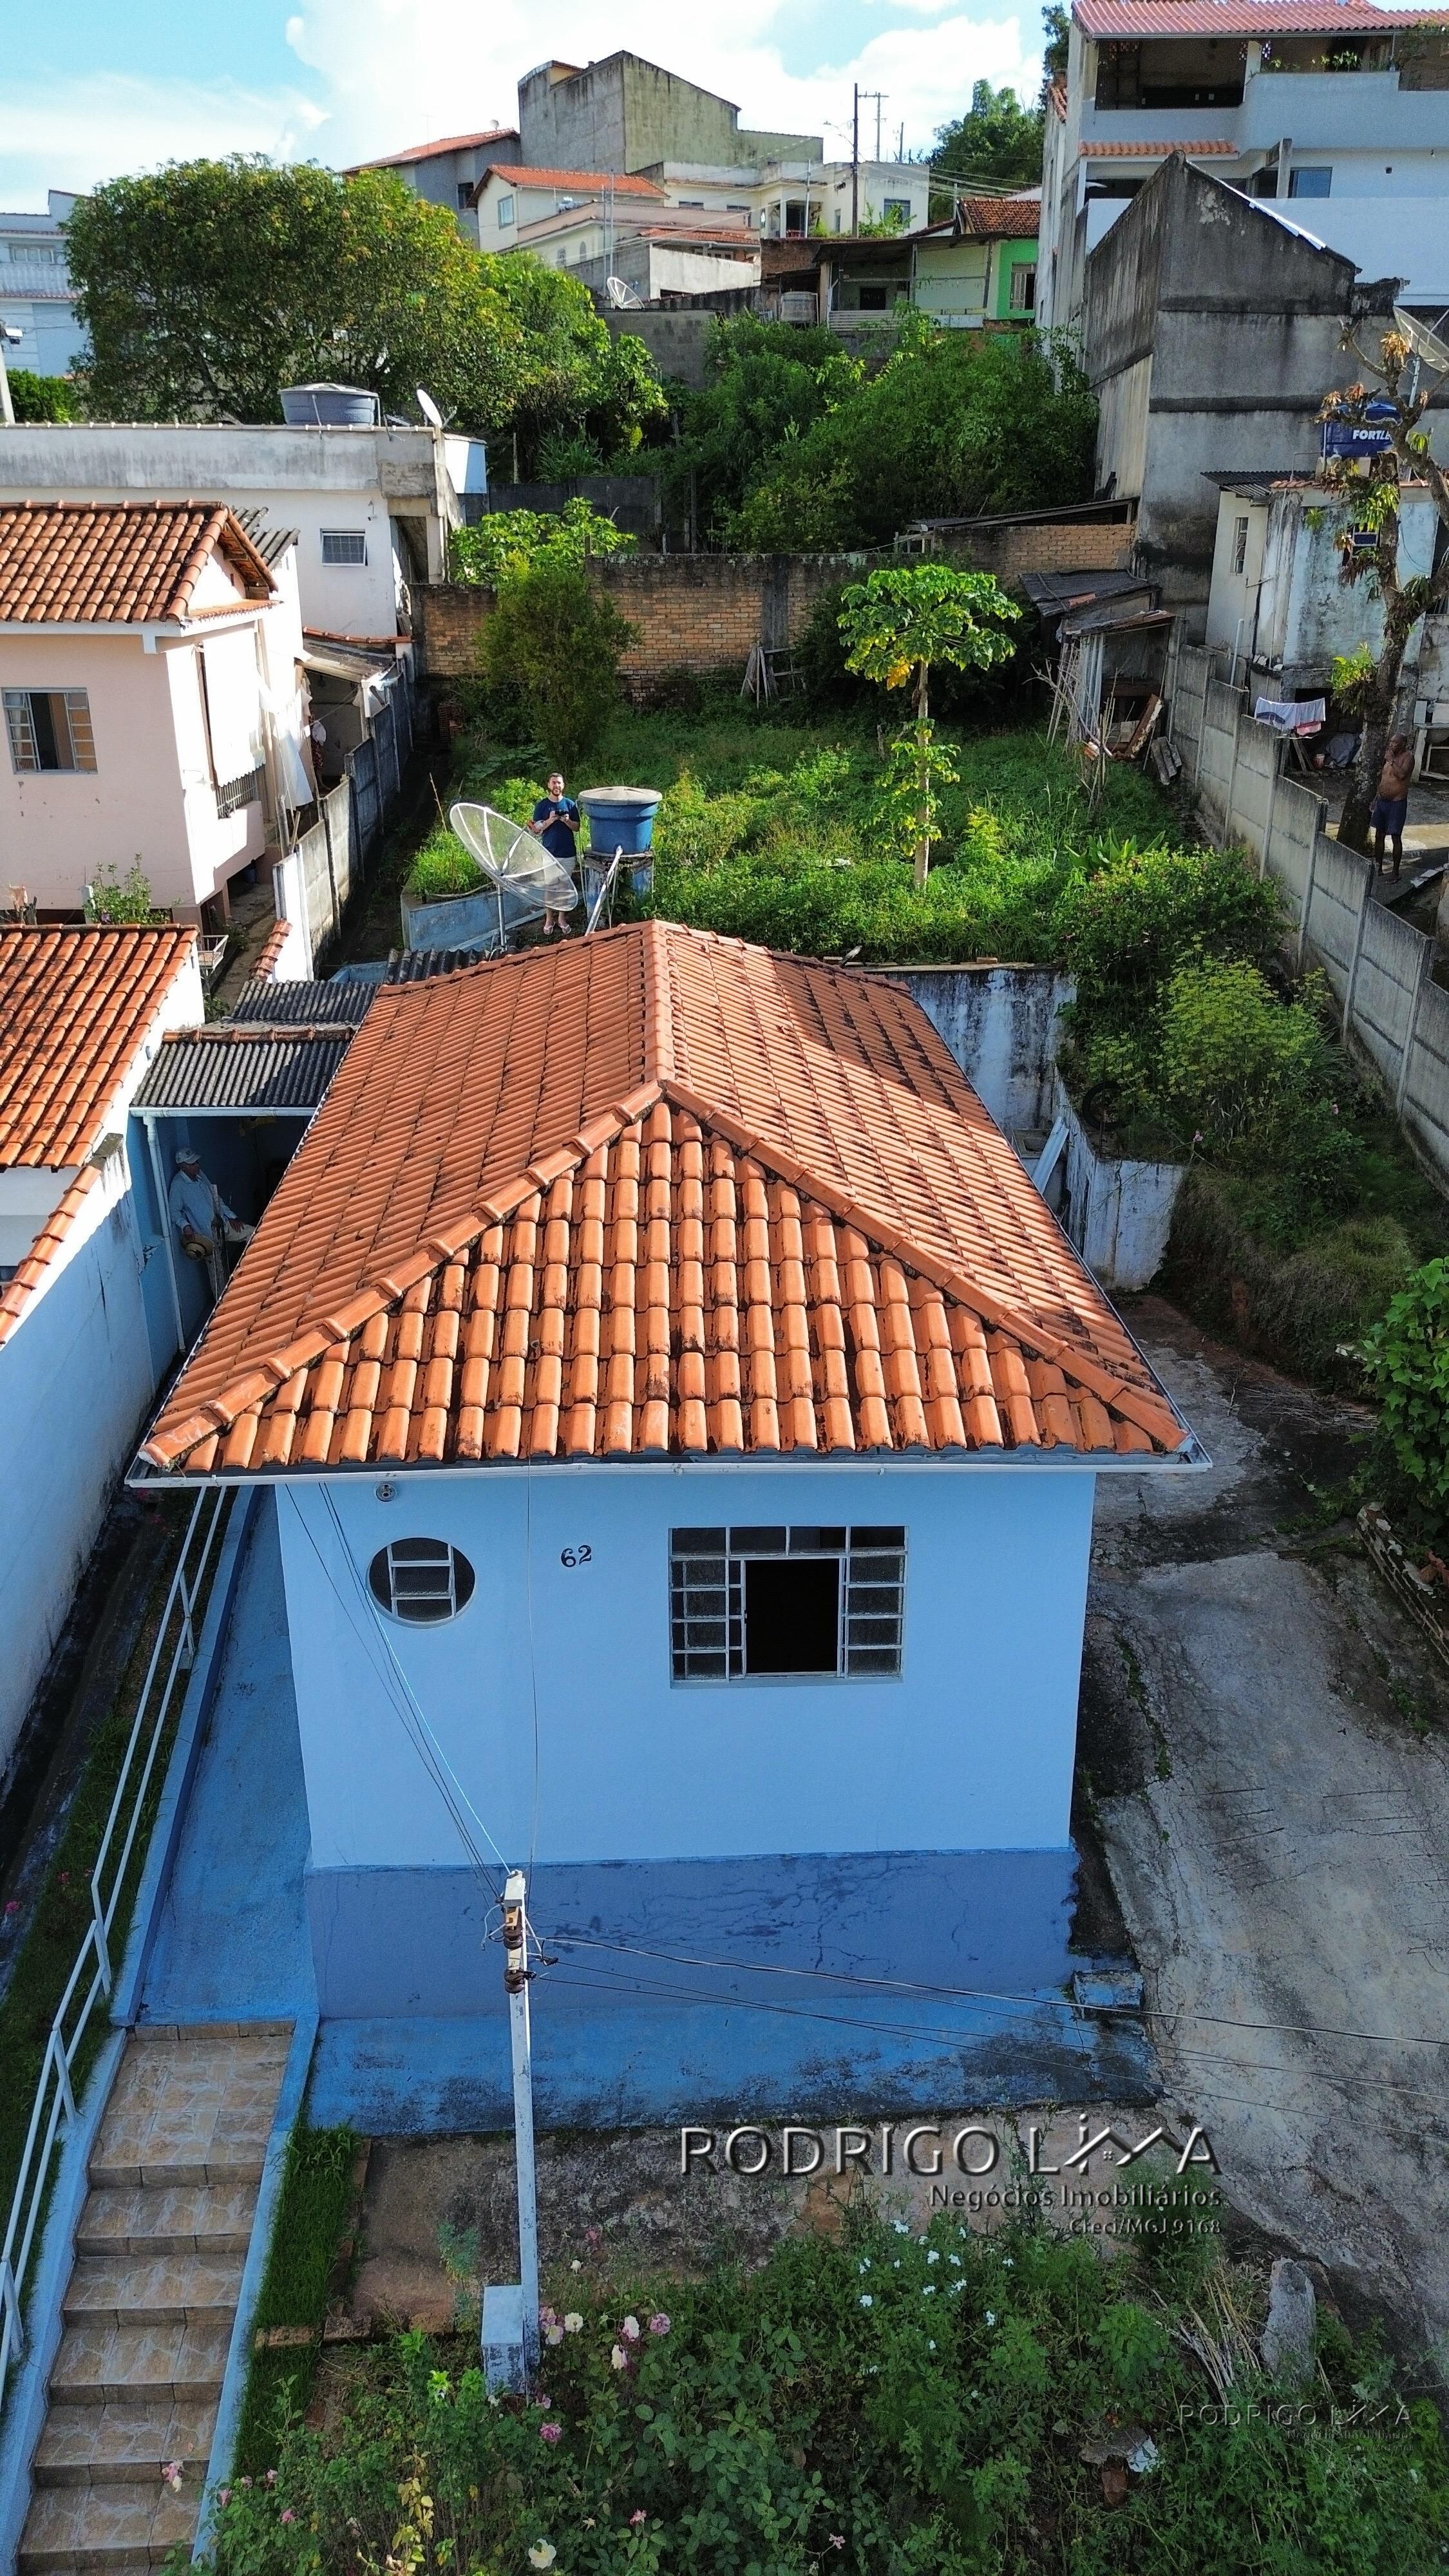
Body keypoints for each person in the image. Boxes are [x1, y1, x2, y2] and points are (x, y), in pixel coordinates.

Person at [168, 1147, 254, 1305]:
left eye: (196, 1162)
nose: (197, 1166)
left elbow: (217, 1199)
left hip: (224, 1225)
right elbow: (174, 1212)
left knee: (254, 1235)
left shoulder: (201, 1176)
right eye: (193, 1164)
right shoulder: (178, 1185)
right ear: (183, 1167)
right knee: (217, 1275)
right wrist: (185, 1226)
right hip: (206, 1234)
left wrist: (232, 1216)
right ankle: (224, 1308)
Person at [529, 772, 581, 936]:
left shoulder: (571, 805)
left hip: (568, 854)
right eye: (554, 783)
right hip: (549, 853)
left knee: (565, 887)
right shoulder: (542, 806)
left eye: (559, 783)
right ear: (549, 785)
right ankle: (549, 919)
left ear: (563, 785)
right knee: (550, 887)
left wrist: (566, 820)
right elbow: (536, 830)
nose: (556, 786)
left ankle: (562, 918)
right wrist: (551, 820)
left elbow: (577, 828)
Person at [1370, 735, 1414, 878]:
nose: (1392, 745)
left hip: (1397, 803)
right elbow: (1383, 779)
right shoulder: (1389, 758)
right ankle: (1378, 866)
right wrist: (1376, 798)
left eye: (1395, 742)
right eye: (1391, 742)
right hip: (1382, 802)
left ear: (1403, 745)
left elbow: (1401, 775)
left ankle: (1395, 872)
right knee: (1379, 835)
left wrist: (1392, 761)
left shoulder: (1407, 757)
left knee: (1395, 837)